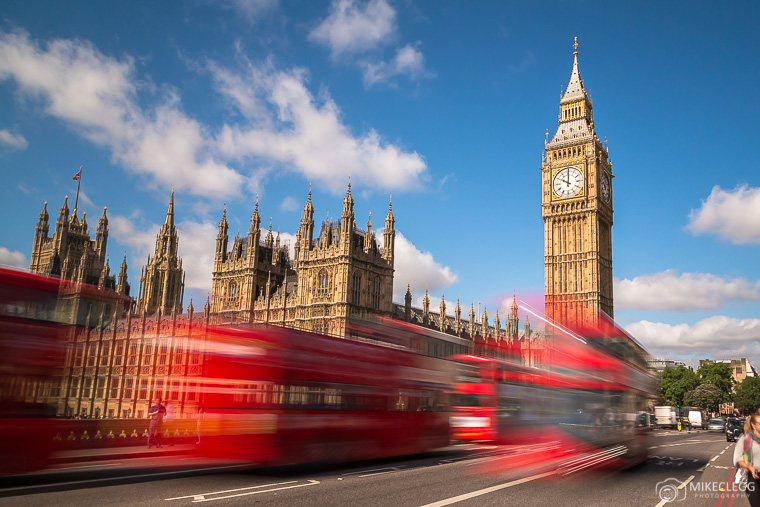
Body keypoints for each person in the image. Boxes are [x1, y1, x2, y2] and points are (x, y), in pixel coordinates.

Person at [734, 413, 760, 506]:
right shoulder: (747, 439)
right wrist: (749, 467)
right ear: (753, 425)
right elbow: (739, 459)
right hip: (752, 477)